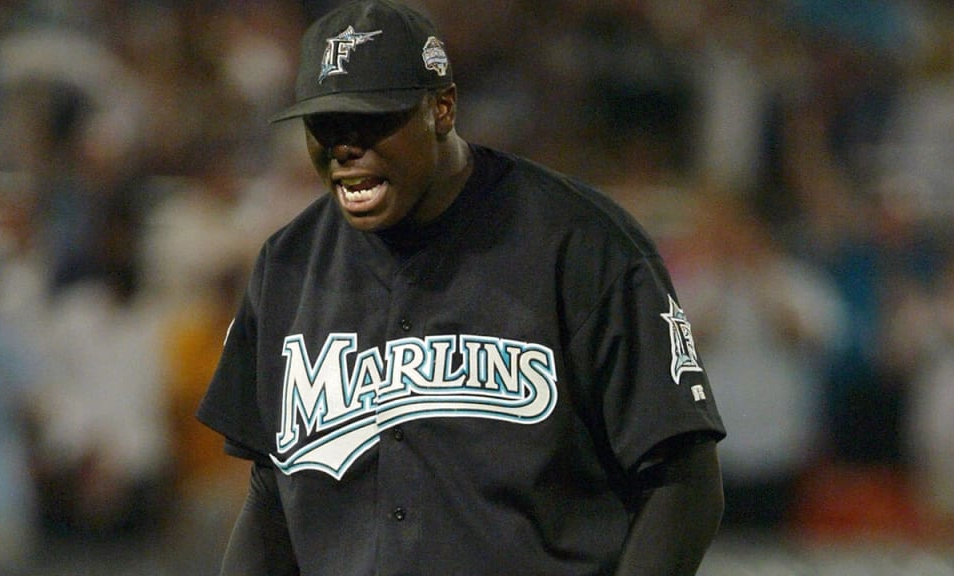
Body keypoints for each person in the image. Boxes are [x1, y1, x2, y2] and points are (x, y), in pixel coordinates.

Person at [197, 1, 726, 574]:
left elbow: (683, 483)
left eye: (372, 120)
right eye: (325, 125)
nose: (346, 146)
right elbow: (271, 493)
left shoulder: (581, 246)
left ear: (442, 108)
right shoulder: (287, 266)